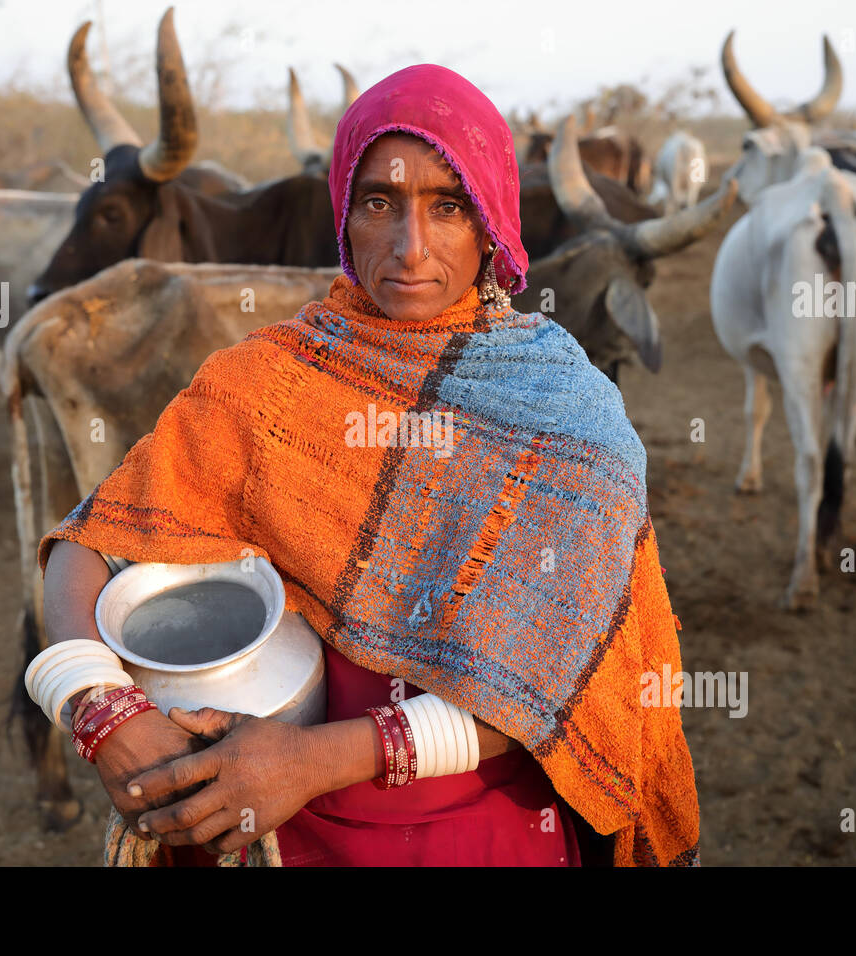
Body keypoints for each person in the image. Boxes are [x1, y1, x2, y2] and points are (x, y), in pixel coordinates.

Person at [35, 63, 699, 867]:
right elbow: (90, 543)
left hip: (476, 833)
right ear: (344, 212)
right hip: (269, 828)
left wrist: (313, 761)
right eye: (380, 201)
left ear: (492, 221)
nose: (409, 247)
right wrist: (99, 710)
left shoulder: (572, 424)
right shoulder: (271, 379)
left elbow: (556, 685)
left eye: (447, 206)